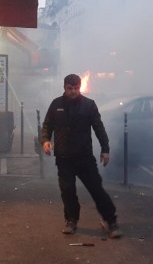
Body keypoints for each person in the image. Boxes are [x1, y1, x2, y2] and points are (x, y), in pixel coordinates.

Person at [40, 74, 122, 238]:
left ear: (80, 87)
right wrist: (45, 140)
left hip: (84, 157)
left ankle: (110, 221)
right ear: (64, 88)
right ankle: (71, 220)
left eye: (76, 88)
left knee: (96, 189)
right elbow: (47, 125)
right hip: (64, 158)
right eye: (70, 88)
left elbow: (99, 128)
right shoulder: (56, 105)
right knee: (67, 190)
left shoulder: (89, 105)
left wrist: (105, 149)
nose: (73, 92)